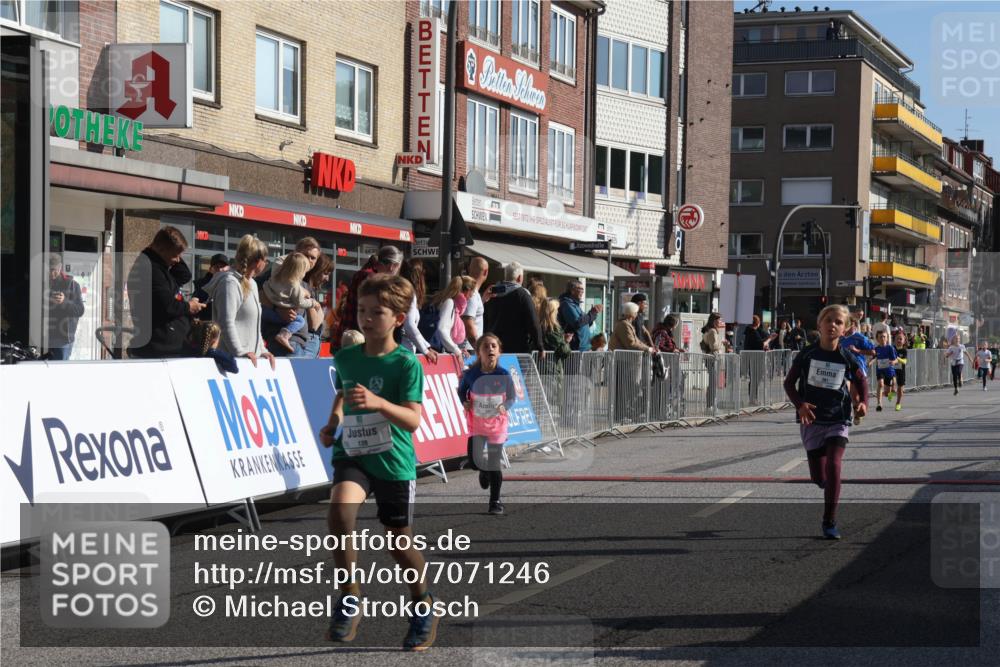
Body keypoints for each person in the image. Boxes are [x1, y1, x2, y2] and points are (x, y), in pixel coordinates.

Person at [318, 274, 437, 650]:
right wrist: (333, 421)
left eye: (377, 312)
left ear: (399, 318)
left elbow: (414, 420)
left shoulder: (406, 364)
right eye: (363, 311)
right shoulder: (346, 356)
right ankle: (350, 596)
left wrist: (379, 404)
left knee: (399, 543)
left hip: (393, 460)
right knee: (339, 512)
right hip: (353, 453)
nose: (367, 319)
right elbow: (343, 392)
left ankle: (422, 605)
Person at [783, 304, 868, 540]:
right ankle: (825, 484)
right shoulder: (807, 354)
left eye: (838, 322)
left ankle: (829, 521)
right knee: (818, 477)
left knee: (833, 466)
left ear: (845, 328)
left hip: (838, 417)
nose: (832, 325)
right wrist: (800, 404)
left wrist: (864, 404)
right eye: (828, 320)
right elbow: (789, 384)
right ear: (819, 324)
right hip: (811, 420)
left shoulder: (846, 356)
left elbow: (861, 381)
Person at [457, 334, 517, 515]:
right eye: (485, 347)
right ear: (478, 353)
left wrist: (504, 406)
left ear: (499, 352)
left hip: (497, 425)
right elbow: (461, 392)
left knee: (494, 463)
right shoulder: (470, 374)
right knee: (475, 462)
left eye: (493, 346)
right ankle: (483, 472)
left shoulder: (504, 375)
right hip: (476, 424)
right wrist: (464, 402)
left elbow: (512, 397)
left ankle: (495, 501)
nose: (490, 349)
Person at [127, 226, 206, 358]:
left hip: (169, 346)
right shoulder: (149, 269)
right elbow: (167, 306)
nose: (178, 260)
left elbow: (184, 275)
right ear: (161, 249)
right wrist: (189, 306)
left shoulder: (159, 266)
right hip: (159, 349)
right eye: (175, 255)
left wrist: (173, 253)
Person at [203, 234, 275, 370]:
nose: (266, 264)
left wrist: (262, 350)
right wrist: (240, 352)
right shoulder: (230, 283)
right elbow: (226, 322)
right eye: (266, 260)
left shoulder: (252, 283)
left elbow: (254, 326)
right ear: (258, 262)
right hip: (230, 364)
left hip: (248, 361)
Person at [331, 245, 404, 349]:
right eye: (398, 268)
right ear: (393, 266)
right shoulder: (372, 279)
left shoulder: (365, 274)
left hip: (349, 336)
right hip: (358, 340)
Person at [483, 262, 544, 354]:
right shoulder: (522, 294)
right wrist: (539, 346)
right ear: (520, 278)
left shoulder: (491, 293)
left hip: (493, 347)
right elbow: (533, 322)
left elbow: (485, 318)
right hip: (517, 348)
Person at [262, 252, 315, 353]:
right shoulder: (294, 285)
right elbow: (300, 302)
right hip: (281, 317)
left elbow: (278, 259)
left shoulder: (276, 272)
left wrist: (293, 258)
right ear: (299, 272)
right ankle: (284, 335)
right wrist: (312, 303)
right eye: (304, 271)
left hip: (267, 311)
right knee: (300, 321)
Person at [399, 259, 439, 363]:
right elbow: (409, 325)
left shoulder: (402, 292)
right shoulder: (410, 294)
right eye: (423, 273)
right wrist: (426, 350)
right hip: (404, 352)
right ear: (418, 276)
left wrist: (427, 346)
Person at [46, 253, 85, 360]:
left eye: (54, 270)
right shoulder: (42, 283)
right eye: (49, 269)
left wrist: (64, 302)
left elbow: (80, 310)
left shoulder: (72, 285)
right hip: (44, 336)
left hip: (62, 339)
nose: (51, 273)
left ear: (60, 269)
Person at [839, 316, 876, 425]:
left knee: (855, 395)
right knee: (851, 393)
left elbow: (873, 352)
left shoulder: (860, 338)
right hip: (844, 369)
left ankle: (857, 411)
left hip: (858, 368)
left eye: (846, 325)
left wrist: (857, 350)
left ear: (853, 325)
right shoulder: (840, 339)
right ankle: (852, 410)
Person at [557, 279, 603, 351]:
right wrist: (592, 313)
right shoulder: (567, 304)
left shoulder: (575, 304)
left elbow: (584, 323)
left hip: (584, 348)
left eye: (583, 289)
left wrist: (593, 314)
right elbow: (577, 323)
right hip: (576, 348)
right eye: (580, 289)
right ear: (572, 290)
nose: (582, 292)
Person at [429, 276, 467, 358]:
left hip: (435, 349)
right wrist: (456, 350)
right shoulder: (449, 303)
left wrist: (458, 349)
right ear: (467, 292)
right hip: (436, 351)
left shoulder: (447, 301)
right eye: (473, 292)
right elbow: (442, 329)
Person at [461, 257, 489, 347]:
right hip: (469, 349)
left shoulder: (471, 292)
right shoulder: (472, 294)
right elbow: (468, 323)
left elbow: (472, 313)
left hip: (467, 348)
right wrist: (479, 348)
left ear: (469, 269)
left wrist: (483, 300)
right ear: (486, 272)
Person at [192, 253, 229, 319]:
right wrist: (194, 302)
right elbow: (195, 298)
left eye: (222, 266)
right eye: (217, 267)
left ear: (228, 268)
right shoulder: (203, 284)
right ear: (210, 269)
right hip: (208, 323)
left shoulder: (232, 283)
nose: (220, 270)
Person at [872, 330, 898, 412]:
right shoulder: (876, 349)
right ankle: (879, 404)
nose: (883, 338)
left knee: (887, 393)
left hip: (889, 371)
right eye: (881, 337)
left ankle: (890, 393)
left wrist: (893, 362)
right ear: (877, 339)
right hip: (880, 370)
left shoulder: (890, 348)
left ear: (887, 338)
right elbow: (873, 358)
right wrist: (869, 363)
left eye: (884, 337)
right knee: (880, 384)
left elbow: (896, 360)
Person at [892, 331, 908, 411]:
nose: (899, 340)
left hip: (901, 371)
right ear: (894, 340)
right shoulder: (892, 349)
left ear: (904, 341)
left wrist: (897, 358)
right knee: (892, 382)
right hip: (892, 370)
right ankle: (891, 391)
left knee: (900, 389)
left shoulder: (904, 351)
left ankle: (898, 403)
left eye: (900, 339)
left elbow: (905, 361)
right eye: (897, 339)